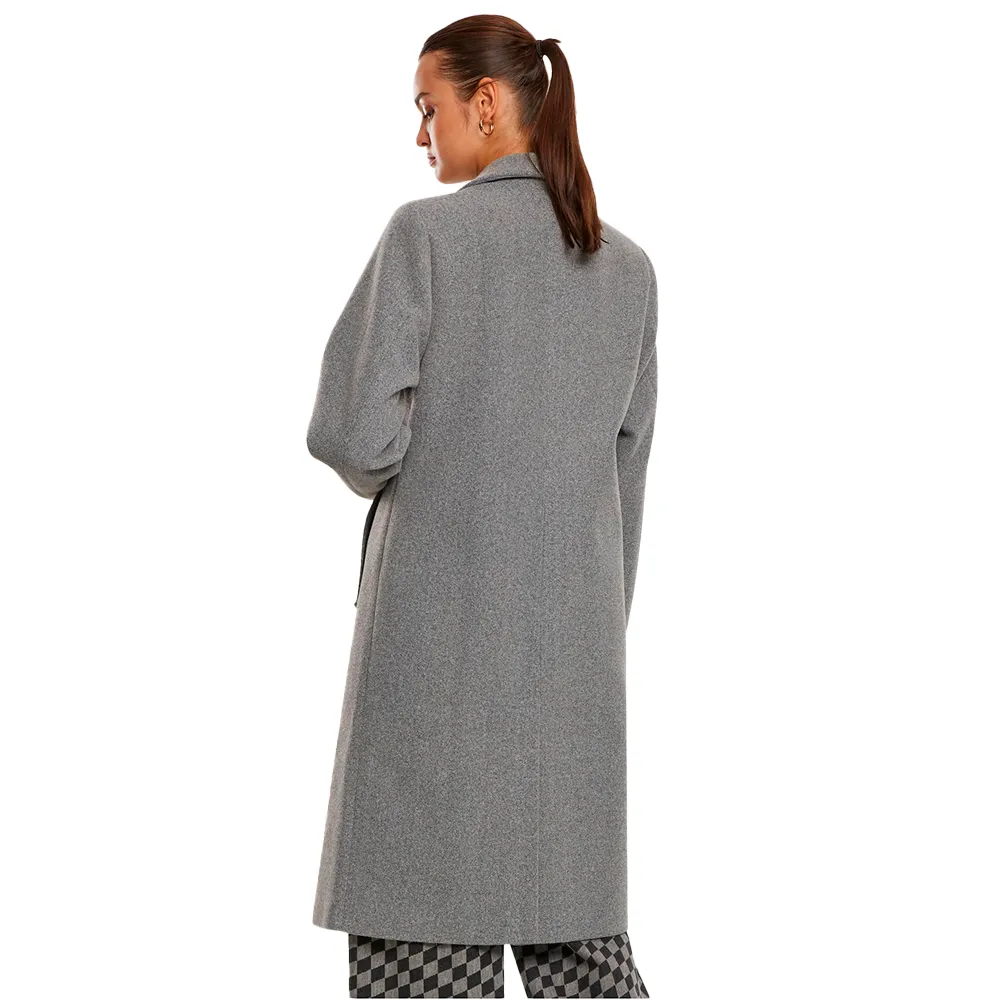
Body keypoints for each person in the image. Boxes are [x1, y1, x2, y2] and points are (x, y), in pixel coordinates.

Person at [306, 15, 657, 998]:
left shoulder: (426, 237)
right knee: (586, 970)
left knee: (421, 956)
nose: (421, 133)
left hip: (434, 687)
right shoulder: (628, 271)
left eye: (429, 107)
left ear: (487, 102)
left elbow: (352, 436)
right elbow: (625, 490)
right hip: (571, 692)